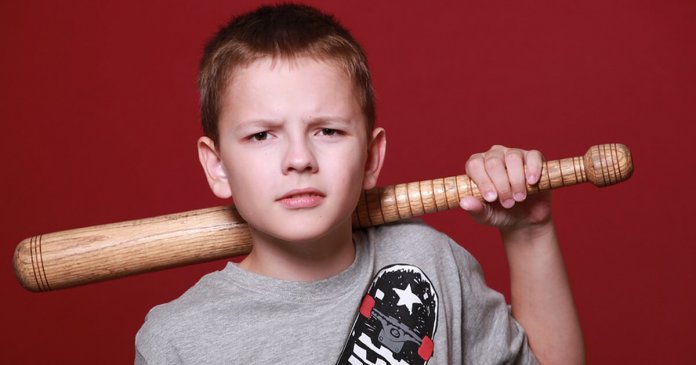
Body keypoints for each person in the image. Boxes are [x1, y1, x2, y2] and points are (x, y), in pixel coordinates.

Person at [135, 4, 585, 364]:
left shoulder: (428, 261)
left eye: (327, 131)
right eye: (261, 135)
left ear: (371, 157)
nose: (299, 159)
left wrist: (530, 232)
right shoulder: (178, 341)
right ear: (217, 166)